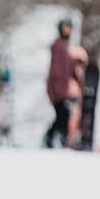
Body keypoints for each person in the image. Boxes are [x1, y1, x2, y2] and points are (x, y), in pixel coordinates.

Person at [44, 17, 75, 148]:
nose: (67, 30)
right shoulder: (58, 45)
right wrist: (56, 86)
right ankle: (52, 137)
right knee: (62, 114)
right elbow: (56, 67)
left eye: (69, 27)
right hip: (57, 87)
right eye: (65, 27)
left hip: (63, 87)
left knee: (63, 114)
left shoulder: (65, 45)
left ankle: (56, 138)